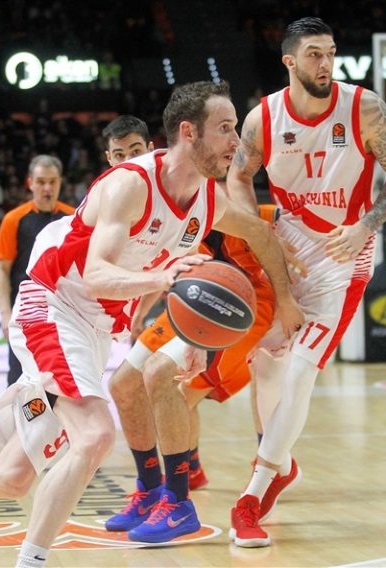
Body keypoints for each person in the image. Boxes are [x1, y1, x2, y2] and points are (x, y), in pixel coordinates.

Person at [0, 81, 303, 568]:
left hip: (94, 329)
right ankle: (32, 562)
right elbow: (98, 272)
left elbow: (259, 233)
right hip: (53, 303)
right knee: (96, 435)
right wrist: (164, 279)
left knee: (12, 477)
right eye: (225, 128)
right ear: (189, 132)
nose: (236, 141)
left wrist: (277, 304)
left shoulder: (209, 201)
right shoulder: (130, 184)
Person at [225, 17, 386, 547]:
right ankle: (282, 465)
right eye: (313, 54)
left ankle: (253, 494)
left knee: (300, 371)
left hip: (343, 251)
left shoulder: (364, 108)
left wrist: (365, 226)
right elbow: (237, 175)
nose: (325, 63)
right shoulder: (263, 118)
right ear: (289, 61)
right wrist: (259, 231)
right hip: (287, 242)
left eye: (330, 52)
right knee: (265, 360)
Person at [101, 115, 288, 541]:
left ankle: (179, 501)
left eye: (136, 151)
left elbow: (267, 230)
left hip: (236, 304)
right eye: (120, 155)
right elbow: (168, 264)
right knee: (123, 384)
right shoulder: (139, 198)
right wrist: (138, 312)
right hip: (190, 298)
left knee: (166, 381)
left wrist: (290, 300)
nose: (130, 161)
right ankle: (150, 489)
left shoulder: (208, 195)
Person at [0, 155, 75, 386]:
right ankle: (21, 412)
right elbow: (2, 270)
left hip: (63, 311)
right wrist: (5, 313)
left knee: (62, 378)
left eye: (52, 182)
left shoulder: (73, 219)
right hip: (24, 311)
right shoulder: (13, 220)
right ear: (30, 183)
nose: (47, 188)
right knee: (20, 376)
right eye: (41, 182)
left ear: (60, 182)